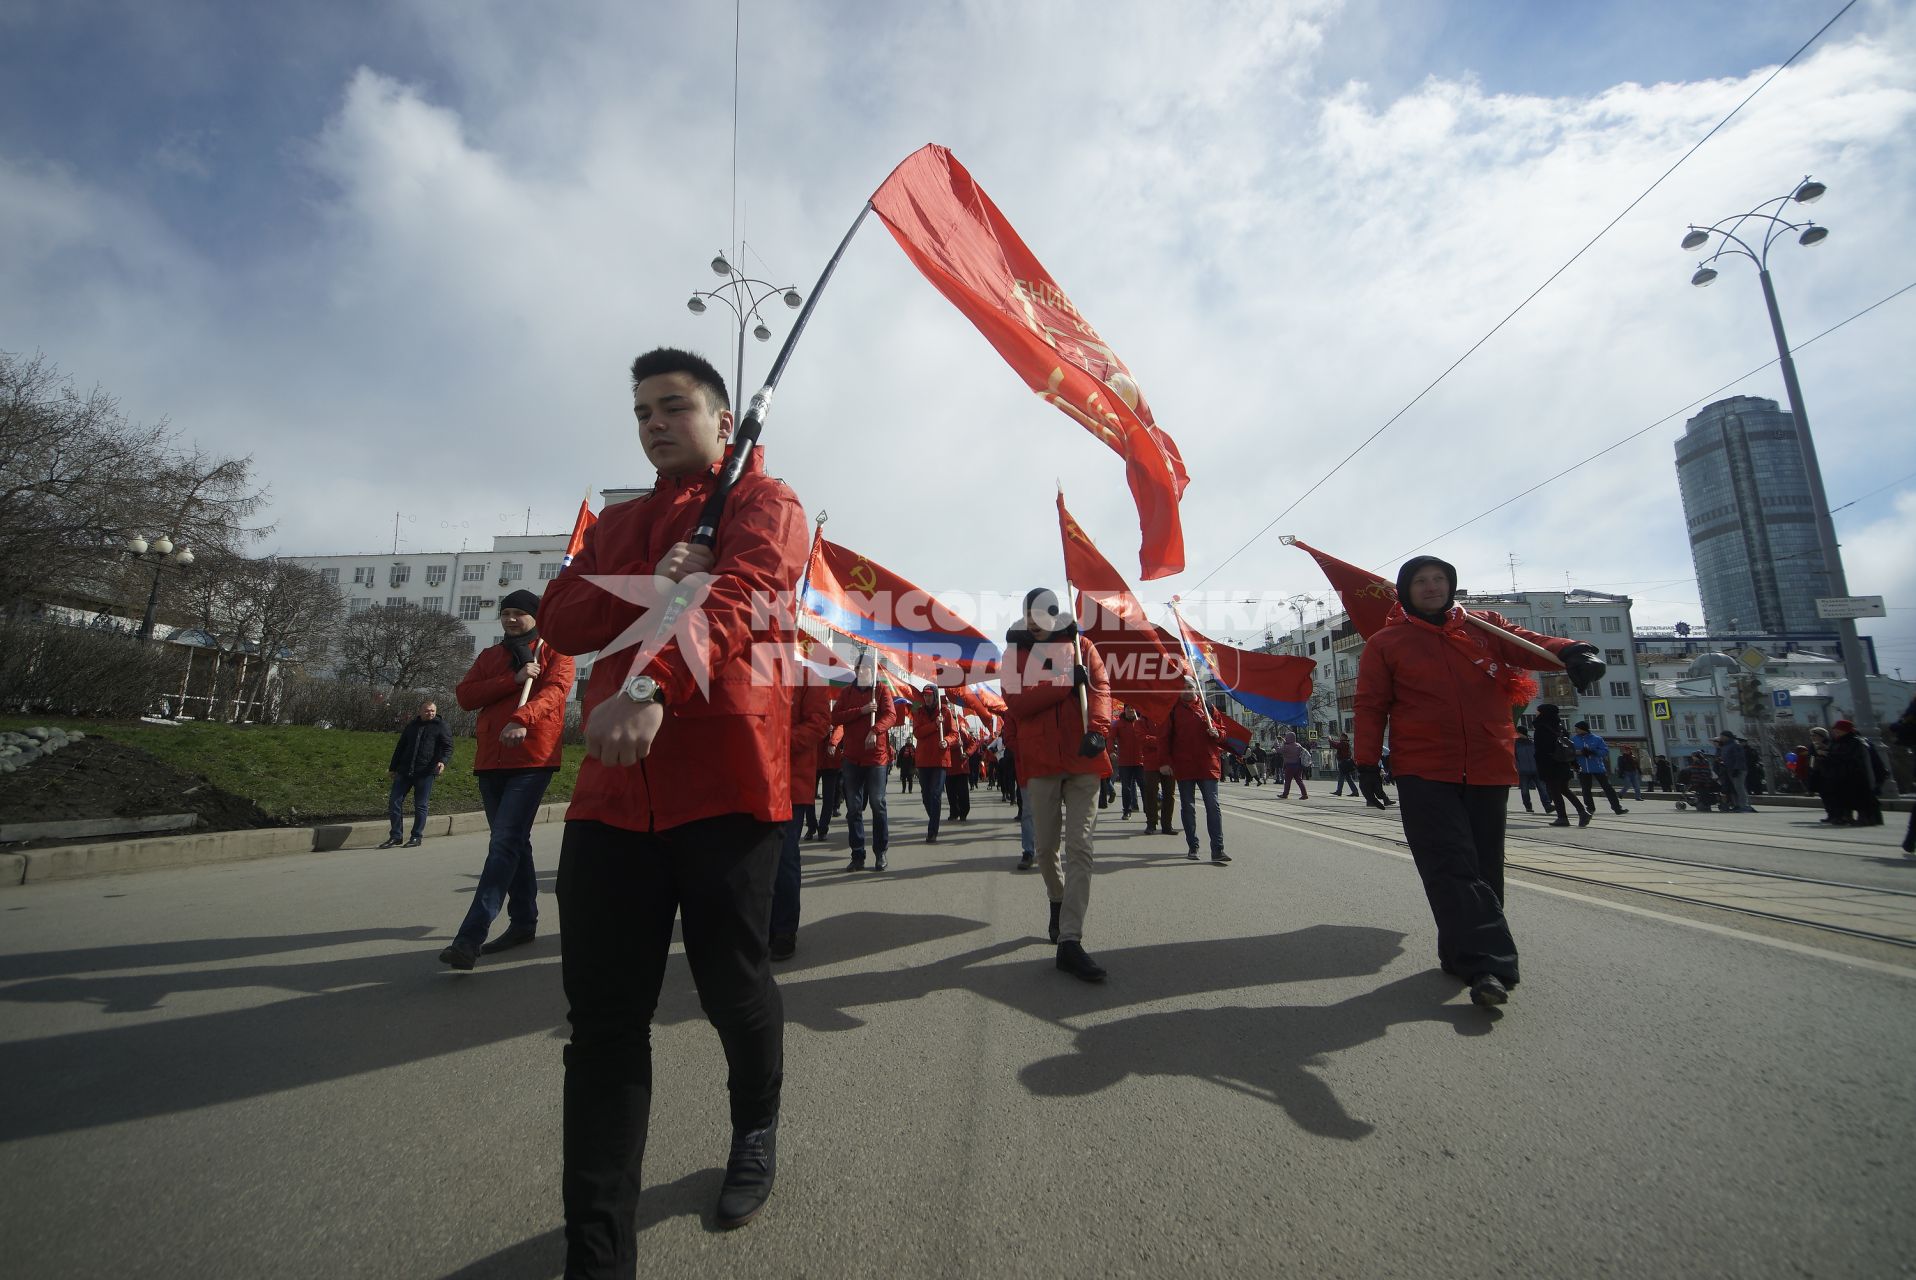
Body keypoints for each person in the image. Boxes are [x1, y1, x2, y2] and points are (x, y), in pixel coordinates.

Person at [538, 347, 809, 1260]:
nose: (655, 423)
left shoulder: (767, 507)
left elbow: (743, 598)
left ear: (724, 422)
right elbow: (563, 616)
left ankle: (756, 1126)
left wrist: (650, 686)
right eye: (642, 411)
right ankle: (599, 1254)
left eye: (675, 407)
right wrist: (659, 576)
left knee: (734, 986)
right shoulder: (620, 525)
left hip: (727, 788)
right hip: (611, 801)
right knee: (606, 1027)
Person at [1353, 555, 1598, 1008]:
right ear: (1405, 590)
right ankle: (1489, 964)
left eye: (1439, 579)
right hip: (1424, 767)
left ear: (1451, 585)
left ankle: (1459, 952)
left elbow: (1529, 644)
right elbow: (1370, 706)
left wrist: (1572, 651)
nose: (1431, 587)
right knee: (1449, 863)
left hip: (1488, 761)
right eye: (1421, 581)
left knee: (1484, 866)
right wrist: (1366, 764)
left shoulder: (1485, 627)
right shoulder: (1387, 643)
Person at [440, 594, 576, 968]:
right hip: (490, 758)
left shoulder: (556, 651)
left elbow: (555, 693)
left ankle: (470, 937)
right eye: (507, 614)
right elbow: (466, 696)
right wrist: (512, 678)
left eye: (520, 614)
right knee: (515, 842)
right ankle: (524, 921)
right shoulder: (489, 656)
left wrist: (522, 717)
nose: (512, 620)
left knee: (504, 842)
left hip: (533, 758)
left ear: (535, 617)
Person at [1004, 587, 1113, 982]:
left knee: (1080, 846)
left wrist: (1099, 731)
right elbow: (1016, 703)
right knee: (1047, 847)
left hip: (1084, 759)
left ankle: (1070, 940)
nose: (1033, 621)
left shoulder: (1083, 646)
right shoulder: (1014, 654)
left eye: (1039, 613)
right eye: (1027, 614)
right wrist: (1063, 683)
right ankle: (1056, 898)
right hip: (1042, 763)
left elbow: (1101, 689)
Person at [771, 664, 834, 962]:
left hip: (789, 782)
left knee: (783, 855)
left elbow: (821, 722)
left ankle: (783, 929)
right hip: (747, 780)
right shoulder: (752, 668)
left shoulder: (809, 677)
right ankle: (755, 926)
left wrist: (777, 742)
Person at [832, 652, 897, 871]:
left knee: (878, 805)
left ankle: (880, 852)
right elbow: (835, 716)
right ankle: (857, 854)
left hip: (876, 757)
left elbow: (891, 715)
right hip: (851, 757)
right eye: (858, 668)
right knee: (853, 809)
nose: (861, 672)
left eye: (865, 669)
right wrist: (861, 711)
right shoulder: (846, 692)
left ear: (872, 671)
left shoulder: (881, 690)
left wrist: (875, 729)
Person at [1166, 686, 1229, 864]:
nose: (1186, 690)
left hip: (1207, 764)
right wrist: (1165, 762)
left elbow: (1223, 733)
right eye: (1182, 688)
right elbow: (1165, 738)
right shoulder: (1173, 710)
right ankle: (1193, 846)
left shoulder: (1208, 707)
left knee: (1213, 805)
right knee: (1188, 806)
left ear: (1196, 688)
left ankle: (1218, 849)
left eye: (1189, 687)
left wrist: (1217, 733)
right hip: (1184, 765)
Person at [382, 699, 453, 849]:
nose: (430, 713)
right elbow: (400, 747)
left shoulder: (441, 726)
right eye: (427, 711)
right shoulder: (412, 726)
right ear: (420, 711)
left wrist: (442, 762)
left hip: (425, 772)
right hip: (404, 771)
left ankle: (416, 836)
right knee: (394, 801)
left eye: (433, 710)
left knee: (421, 805)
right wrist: (393, 768)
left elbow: (448, 747)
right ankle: (396, 836)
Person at [910, 686, 961, 843]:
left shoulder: (945, 712)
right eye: (925, 695)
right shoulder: (919, 712)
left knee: (935, 794)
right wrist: (934, 725)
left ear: (935, 696)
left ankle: (932, 830)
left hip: (940, 760)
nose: (927, 698)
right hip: (924, 760)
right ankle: (934, 818)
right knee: (926, 797)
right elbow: (917, 732)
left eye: (930, 695)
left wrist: (947, 741)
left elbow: (955, 734)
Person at [1532, 705, 1591, 827]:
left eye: (1538, 711)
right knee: (1564, 789)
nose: (1536, 713)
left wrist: (1539, 764)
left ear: (1544, 713)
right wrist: (1573, 763)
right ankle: (1582, 812)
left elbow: (1540, 749)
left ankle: (1562, 817)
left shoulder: (1541, 728)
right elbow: (1569, 747)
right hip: (1563, 763)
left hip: (1549, 764)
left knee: (1555, 791)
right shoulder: (1560, 728)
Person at [1825, 719, 1882, 827]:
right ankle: (1846, 816)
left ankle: (1864, 817)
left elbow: (1853, 757)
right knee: (1843, 796)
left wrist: (1833, 756)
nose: (1836, 732)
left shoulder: (1856, 741)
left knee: (1859, 797)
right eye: (1835, 730)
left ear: (1846, 730)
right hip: (1840, 774)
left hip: (1855, 775)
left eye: (1838, 730)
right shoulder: (1835, 742)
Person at [1569, 720, 1628, 816]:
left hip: (1598, 768)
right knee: (1586, 789)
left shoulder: (1597, 739)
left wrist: (1593, 751)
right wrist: (1578, 753)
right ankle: (1590, 808)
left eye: (1577, 729)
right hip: (1583, 768)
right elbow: (1570, 752)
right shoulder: (1574, 739)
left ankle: (1617, 808)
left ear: (1583, 729)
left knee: (1608, 788)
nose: (1576, 730)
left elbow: (1604, 751)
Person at [1139, 710, 1177, 835]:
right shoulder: (1141, 721)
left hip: (1168, 762)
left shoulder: (1168, 718)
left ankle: (1167, 825)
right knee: (1151, 792)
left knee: (1169, 794)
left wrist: (1161, 742)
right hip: (1151, 763)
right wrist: (1163, 742)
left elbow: (1175, 737)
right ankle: (1151, 823)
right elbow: (1143, 739)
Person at [1113, 705, 1148, 817]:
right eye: (1128, 708)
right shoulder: (1118, 724)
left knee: (1144, 787)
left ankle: (1149, 811)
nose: (1131, 710)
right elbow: (1110, 738)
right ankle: (1127, 810)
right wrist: (1111, 751)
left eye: (1133, 708)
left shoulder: (1141, 722)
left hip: (1140, 761)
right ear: (1125, 710)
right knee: (1126, 788)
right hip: (1125, 762)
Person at [1714, 732, 1754, 812]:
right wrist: (1721, 761)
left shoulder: (1735, 745)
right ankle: (1738, 805)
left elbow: (1739, 758)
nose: (1720, 738)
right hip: (1729, 770)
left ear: (1727, 737)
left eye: (1722, 736)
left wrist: (1737, 768)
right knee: (1735, 788)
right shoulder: (1725, 746)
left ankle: (1744, 805)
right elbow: (1728, 758)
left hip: (1738, 770)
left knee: (1740, 787)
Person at [1511, 729, 1543, 814]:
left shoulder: (1532, 743)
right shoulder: (1515, 744)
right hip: (1523, 771)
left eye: (1518, 733)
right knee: (1524, 791)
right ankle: (1528, 806)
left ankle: (1547, 805)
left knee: (1542, 788)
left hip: (1535, 769)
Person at [1276, 731, 1309, 799]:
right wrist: (1284, 741)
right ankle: (1304, 794)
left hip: (1289, 766)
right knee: (1299, 780)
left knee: (1288, 781)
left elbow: (1279, 750)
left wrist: (1276, 743)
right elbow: (1291, 744)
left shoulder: (1287, 747)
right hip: (1298, 766)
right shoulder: (1298, 745)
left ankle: (1285, 794)